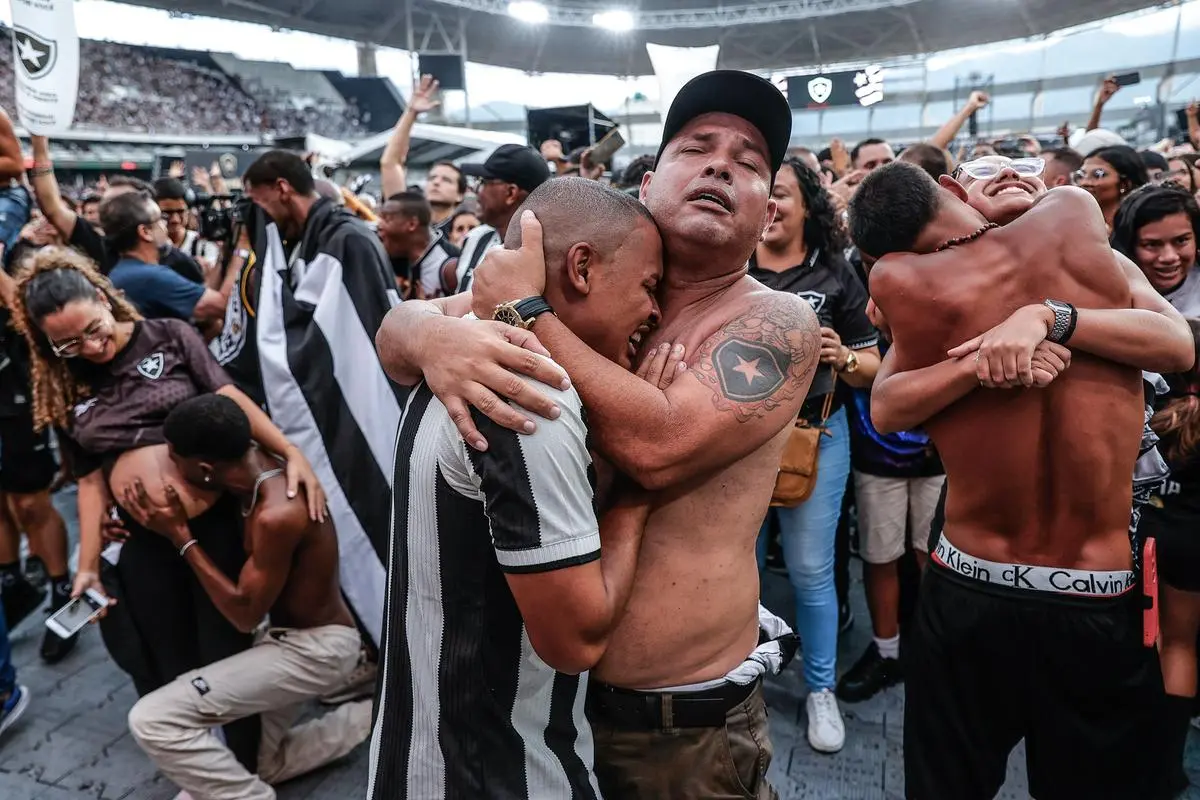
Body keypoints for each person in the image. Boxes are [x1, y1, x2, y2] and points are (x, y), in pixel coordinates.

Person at [376, 70, 816, 799]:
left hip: (676, 727)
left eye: (747, 163)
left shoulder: (777, 321)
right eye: (696, 148)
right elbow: (396, 333)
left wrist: (524, 312)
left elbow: (657, 450)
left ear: (768, 212)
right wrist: (432, 338)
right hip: (542, 714)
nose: (719, 166)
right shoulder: (597, 283)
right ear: (646, 184)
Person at [850, 160, 1192, 800]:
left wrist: (1049, 317)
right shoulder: (923, 287)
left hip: (1085, 590)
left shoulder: (1091, 254)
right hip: (978, 581)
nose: (1010, 173)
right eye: (987, 171)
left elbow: (1177, 345)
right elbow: (889, 407)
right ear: (954, 196)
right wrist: (982, 359)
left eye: (1023, 169)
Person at [368, 177, 668, 799]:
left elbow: (400, 326)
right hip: (500, 773)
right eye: (649, 286)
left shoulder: (463, 340)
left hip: (418, 756)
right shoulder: (526, 394)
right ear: (582, 268)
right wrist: (641, 496)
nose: (657, 312)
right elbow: (575, 641)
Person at [8, 245, 324, 772]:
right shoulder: (66, 381)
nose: (90, 348)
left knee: (228, 653)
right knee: (166, 654)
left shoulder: (168, 336)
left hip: (215, 526)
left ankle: (247, 764)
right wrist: (87, 566)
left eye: (92, 329)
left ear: (104, 298)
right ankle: (203, 770)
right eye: (67, 343)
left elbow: (229, 396)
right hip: (142, 539)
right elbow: (89, 482)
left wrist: (292, 452)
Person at [125, 394, 370, 800]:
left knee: (152, 719)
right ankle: (373, 718)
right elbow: (229, 400)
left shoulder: (276, 513)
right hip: (287, 640)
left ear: (205, 469)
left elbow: (244, 613)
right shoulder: (251, 471)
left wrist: (180, 537)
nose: (169, 468)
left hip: (316, 651)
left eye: (174, 460)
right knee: (258, 763)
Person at [242, 150, 402, 662]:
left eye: (258, 201)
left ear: (282, 188)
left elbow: (353, 337)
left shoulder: (348, 239)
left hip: (368, 413)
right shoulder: (313, 238)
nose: (259, 214)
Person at [749, 157, 881, 751]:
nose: (769, 205)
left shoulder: (835, 273)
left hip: (816, 438)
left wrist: (842, 356)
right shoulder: (728, 269)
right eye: (761, 193)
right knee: (738, 568)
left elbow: (873, 365)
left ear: (808, 206)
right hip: (732, 445)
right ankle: (741, 677)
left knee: (810, 571)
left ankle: (820, 688)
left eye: (780, 193)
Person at [1138, 321, 1200, 796]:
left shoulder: (1144, 404)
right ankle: (1166, 769)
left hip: (1140, 533)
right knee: (1179, 646)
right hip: (1191, 544)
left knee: (1130, 644)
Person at [98, 191, 226, 326]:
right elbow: (221, 306)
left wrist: (223, 254)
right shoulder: (149, 276)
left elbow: (204, 307)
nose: (165, 225)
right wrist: (240, 247)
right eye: (160, 219)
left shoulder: (126, 271)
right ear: (145, 232)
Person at [452, 144, 551, 293]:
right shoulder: (476, 238)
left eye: (483, 182)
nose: (477, 192)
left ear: (511, 193)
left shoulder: (546, 254)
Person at [1111, 183, 1200, 315]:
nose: (1169, 257)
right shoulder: (1106, 300)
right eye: (1152, 244)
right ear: (1128, 247)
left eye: (1181, 240)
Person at [376, 191, 459, 299]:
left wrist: (431, 308)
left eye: (386, 219)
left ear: (412, 224)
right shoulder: (401, 256)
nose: (379, 225)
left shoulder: (449, 267)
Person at [1076, 144, 1150, 230]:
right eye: (1081, 175)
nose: (1084, 182)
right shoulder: (1076, 225)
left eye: (1098, 175)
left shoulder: (1144, 227)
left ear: (1125, 184)